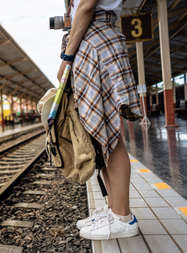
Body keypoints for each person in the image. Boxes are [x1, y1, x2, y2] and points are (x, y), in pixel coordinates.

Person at [57, 0, 142, 240]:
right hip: (92, 39)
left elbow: (86, 6)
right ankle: (114, 211)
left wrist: (66, 57)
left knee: (111, 137)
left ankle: (123, 218)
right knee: (101, 139)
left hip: (95, 39)